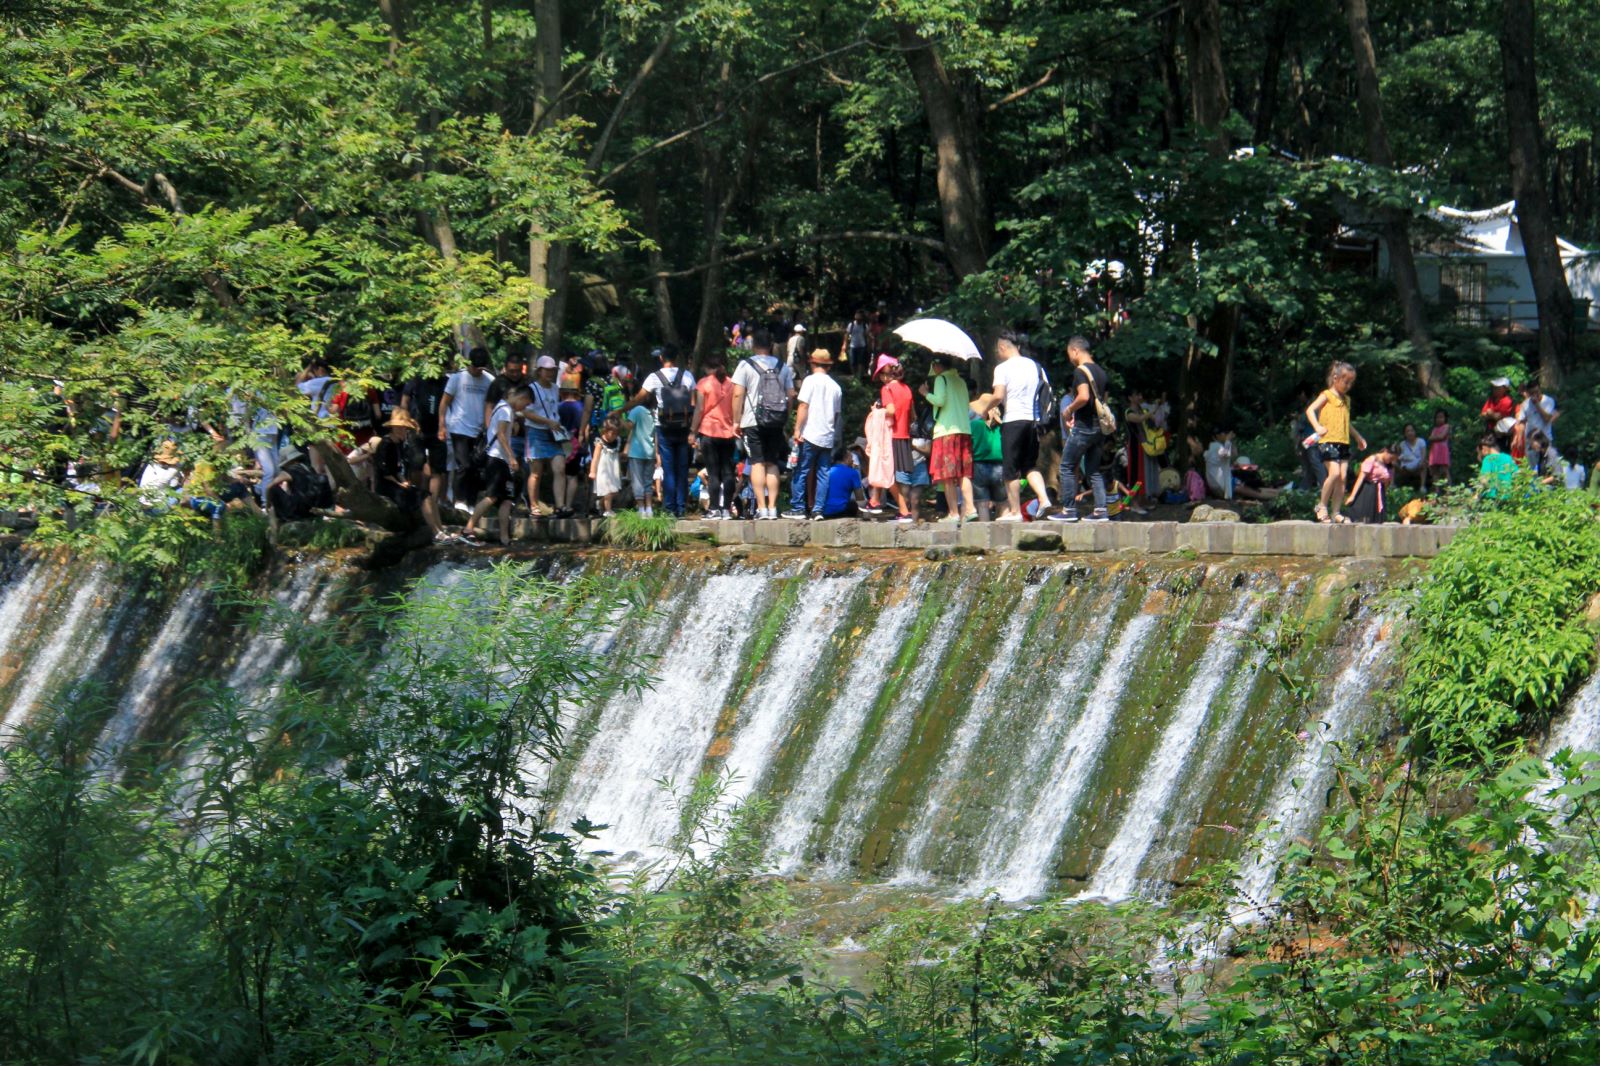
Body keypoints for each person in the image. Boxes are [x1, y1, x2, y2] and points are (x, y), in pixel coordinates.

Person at [978, 329, 1053, 523]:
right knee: (1029, 465)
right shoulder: (1036, 367)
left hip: (1013, 421)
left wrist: (985, 410)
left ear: (1002, 347)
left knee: (1010, 470)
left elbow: (998, 396)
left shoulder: (1003, 368)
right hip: (1034, 422)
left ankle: (1015, 512)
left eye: (998, 350)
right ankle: (1043, 498)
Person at [729, 328, 795, 520]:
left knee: (757, 462)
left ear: (754, 345)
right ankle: (773, 508)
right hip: (776, 421)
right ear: (772, 345)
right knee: (772, 463)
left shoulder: (745, 365)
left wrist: (736, 421)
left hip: (752, 421)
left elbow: (737, 394)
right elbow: (791, 395)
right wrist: (784, 416)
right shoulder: (783, 366)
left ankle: (762, 508)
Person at [1049, 336, 1108, 523]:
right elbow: (1101, 400)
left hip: (1084, 428)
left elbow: (1083, 397)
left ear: (1075, 350)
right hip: (1099, 427)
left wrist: (1068, 410)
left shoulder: (1080, 372)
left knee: (1066, 466)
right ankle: (1100, 511)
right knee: (1093, 470)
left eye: (1069, 354)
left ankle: (1068, 510)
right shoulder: (1100, 372)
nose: (1070, 358)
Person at [633, 344, 697, 518]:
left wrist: (622, 410)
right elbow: (694, 403)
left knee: (668, 469)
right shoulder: (687, 376)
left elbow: (640, 397)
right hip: (684, 427)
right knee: (682, 468)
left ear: (661, 358)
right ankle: (681, 508)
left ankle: (669, 509)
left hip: (664, 427)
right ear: (677, 357)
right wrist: (694, 430)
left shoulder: (654, 377)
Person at [465, 384, 530, 546]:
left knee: (507, 500)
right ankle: (468, 528)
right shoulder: (505, 410)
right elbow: (500, 435)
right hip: (497, 459)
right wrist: (511, 457)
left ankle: (504, 538)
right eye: (526, 403)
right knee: (492, 496)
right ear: (521, 398)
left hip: (502, 461)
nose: (525, 407)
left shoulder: (502, 408)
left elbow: (506, 432)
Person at [1304, 360, 1366, 524]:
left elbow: (1347, 421)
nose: (1348, 386)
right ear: (1335, 378)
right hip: (1328, 441)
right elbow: (1310, 410)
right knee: (1335, 473)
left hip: (1343, 441)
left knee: (1343, 477)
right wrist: (1317, 426)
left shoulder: (1347, 400)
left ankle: (1336, 512)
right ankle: (1321, 506)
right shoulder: (1327, 395)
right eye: (1345, 382)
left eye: (1351, 383)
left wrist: (1358, 437)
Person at [921, 354, 977, 523]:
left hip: (946, 431)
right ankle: (970, 509)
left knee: (947, 475)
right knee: (963, 473)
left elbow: (940, 400)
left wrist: (925, 394)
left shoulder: (941, 379)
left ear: (937, 366)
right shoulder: (960, 381)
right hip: (963, 430)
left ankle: (953, 513)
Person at [787, 351, 843, 519]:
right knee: (823, 473)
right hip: (827, 435)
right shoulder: (836, 387)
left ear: (812, 364)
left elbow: (803, 406)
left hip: (809, 433)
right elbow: (836, 415)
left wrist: (797, 430)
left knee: (801, 470)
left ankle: (798, 507)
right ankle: (818, 509)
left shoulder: (810, 381)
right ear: (828, 365)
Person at [374, 410, 445, 538]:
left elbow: (398, 469)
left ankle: (441, 530)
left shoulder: (399, 444)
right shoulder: (386, 444)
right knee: (422, 497)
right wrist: (400, 483)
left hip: (397, 483)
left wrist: (403, 481)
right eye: (399, 428)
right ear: (393, 428)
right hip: (387, 486)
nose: (402, 431)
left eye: (404, 428)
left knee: (428, 495)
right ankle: (436, 533)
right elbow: (385, 472)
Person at [438, 348, 493, 511]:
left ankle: (471, 501)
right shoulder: (457, 378)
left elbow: (491, 404)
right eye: (476, 367)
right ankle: (459, 500)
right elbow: (444, 402)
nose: (478, 371)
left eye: (481, 368)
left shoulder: (489, 380)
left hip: (479, 431)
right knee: (464, 465)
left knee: (475, 468)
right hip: (459, 428)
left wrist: (488, 427)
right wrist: (441, 425)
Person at [691, 351, 738, 519]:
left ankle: (714, 508)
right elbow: (737, 407)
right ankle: (726, 509)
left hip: (709, 432)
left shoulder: (704, 383)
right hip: (728, 432)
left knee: (713, 472)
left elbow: (699, 409)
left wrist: (692, 431)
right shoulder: (733, 383)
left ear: (707, 367)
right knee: (728, 472)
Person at [874, 354, 917, 522]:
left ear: (885, 374)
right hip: (904, 436)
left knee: (887, 474)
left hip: (891, 436)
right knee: (888, 472)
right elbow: (913, 415)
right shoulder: (906, 389)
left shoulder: (887, 389)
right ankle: (874, 501)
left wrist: (877, 411)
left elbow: (890, 410)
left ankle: (904, 511)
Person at [521, 355, 566, 518]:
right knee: (536, 472)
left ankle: (560, 506)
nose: (550, 373)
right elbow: (526, 412)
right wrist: (547, 421)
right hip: (535, 432)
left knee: (560, 467)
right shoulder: (532, 389)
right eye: (547, 370)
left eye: (552, 370)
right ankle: (534, 505)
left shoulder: (555, 388)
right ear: (539, 371)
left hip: (553, 433)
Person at [969, 407, 1006, 520]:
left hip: (978, 466)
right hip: (1000, 467)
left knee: (982, 504)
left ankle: (984, 531)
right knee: (1002, 502)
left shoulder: (974, 425)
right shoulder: (1003, 426)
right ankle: (1003, 531)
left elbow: (968, 446)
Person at [1344, 445, 1395, 523]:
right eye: (1391, 458)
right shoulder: (1372, 460)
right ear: (1386, 452)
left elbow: (1388, 481)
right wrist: (1352, 496)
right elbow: (1361, 478)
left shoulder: (1389, 465)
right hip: (1368, 490)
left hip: (1380, 492)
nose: (1391, 461)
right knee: (1365, 515)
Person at [625, 396, 657, 517]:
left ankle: (641, 509)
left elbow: (629, 426)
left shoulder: (637, 410)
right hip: (650, 452)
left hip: (636, 452)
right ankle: (649, 509)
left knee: (638, 481)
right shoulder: (654, 413)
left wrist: (619, 419)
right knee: (648, 481)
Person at [1291, 389, 1327, 493]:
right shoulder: (1307, 404)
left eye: (1300, 395)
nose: (1299, 398)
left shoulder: (1315, 403)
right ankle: (1305, 487)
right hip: (1306, 437)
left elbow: (1310, 418)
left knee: (1315, 461)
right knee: (1307, 463)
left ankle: (1324, 487)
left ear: (1303, 393)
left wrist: (1298, 418)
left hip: (1314, 437)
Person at [814, 447, 866, 518]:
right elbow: (859, 497)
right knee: (853, 504)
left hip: (824, 511)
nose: (853, 460)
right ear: (846, 458)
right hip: (842, 511)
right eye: (851, 457)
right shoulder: (853, 473)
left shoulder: (827, 472)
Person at [588, 416, 624, 516]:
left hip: (613, 470)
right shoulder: (600, 443)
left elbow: (617, 456)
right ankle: (608, 510)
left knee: (614, 491)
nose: (614, 436)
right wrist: (593, 471)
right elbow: (595, 458)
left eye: (616, 434)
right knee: (607, 491)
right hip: (603, 471)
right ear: (605, 430)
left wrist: (620, 470)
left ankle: (599, 503)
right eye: (612, 433)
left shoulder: (617, 441)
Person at [1517, 380, 1558, 449]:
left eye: (1536, 392)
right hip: (1531, 441)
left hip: (1545, 439)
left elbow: (1547, 419)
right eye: (1532, 393)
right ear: (1528, 393)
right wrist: (1519, 438)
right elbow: (1522, 422)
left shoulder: (1549, 401)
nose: (1535, 395)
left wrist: (1537, 404)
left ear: (1540, 389)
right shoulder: (1525, 404)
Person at [1477, 433, 1516, 499]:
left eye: (1480, 451)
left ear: (1484, 448)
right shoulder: (1508, 458)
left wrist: (1477, 495)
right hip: (1509, 497)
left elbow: (1484, 480)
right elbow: (1516, 474)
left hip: (1493, 498)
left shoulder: (1488, 459)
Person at [1394, 424, 1427, 490]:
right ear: (1405, 433)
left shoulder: (1421, 441)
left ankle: (1422, 486)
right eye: (1407, 431)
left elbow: (1424, 454)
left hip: (1418, 465)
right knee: (1393, 463)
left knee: (1424, 463)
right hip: (1405, 467)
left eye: (1411, 430)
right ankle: (1393, 485)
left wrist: (1421, 462)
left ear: (1415, 432)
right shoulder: (1402, 444)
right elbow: (1399, 457)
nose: (1410, 433)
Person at [1427, 409, 1452, 487]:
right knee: (1435, 472)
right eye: (1437, 417)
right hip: (1434, 451)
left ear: (1445, 418)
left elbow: (1442, 436)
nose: (1439, 419)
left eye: (1441, 417)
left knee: (1445, 470)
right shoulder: (1434, 429)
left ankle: (1449, 490)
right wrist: (1434, 438)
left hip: (1443, 450)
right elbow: (1430, 439)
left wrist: (1434, 438)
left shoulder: (1446, 426)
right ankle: (1436, 492)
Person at [846, 310, 869, 378]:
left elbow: (867, 335)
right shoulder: (851, 325)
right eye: (857, 319)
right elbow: (847, 335)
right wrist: (845, 344)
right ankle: (854, 375)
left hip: (862, 346)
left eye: (860, 319)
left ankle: (860, 376)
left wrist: (869, 345)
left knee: (861, 362)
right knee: (853, 362)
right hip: (853, 346)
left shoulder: (865, 325)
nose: (858, 320)